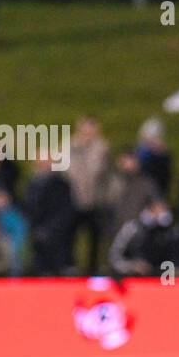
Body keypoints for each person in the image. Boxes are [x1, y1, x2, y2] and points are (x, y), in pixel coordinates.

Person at [66, 115, 111, 273]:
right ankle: (70, 267)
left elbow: (98, 171)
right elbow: (66, 172)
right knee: (70, 236)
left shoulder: (101, 148)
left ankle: (93, 269)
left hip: (95, 200)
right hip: (73, 199)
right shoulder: (69, 146)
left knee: (96, 238)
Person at [23, 153, 75, 275]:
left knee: (59, 271)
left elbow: (65, 212)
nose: (43, 163)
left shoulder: (61, 184)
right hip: (38, 239)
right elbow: (29, 209)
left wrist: (50, 230)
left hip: (59, 239)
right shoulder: (32, 184)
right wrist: (34, 230)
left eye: (46, 160)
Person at [108, 198, 179, 277]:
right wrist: (132, 266)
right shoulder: (132, 229)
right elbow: (114, 257)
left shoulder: (170, 233)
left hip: (157, 280)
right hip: (131, 279)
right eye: (156, 211)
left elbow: (173, 260)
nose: (160, 215)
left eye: (163, 211)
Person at [134, 117, 172, 197]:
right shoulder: (140, 149)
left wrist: (160, 153)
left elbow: (164, 175)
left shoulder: (161, 153)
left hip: (155, 190)